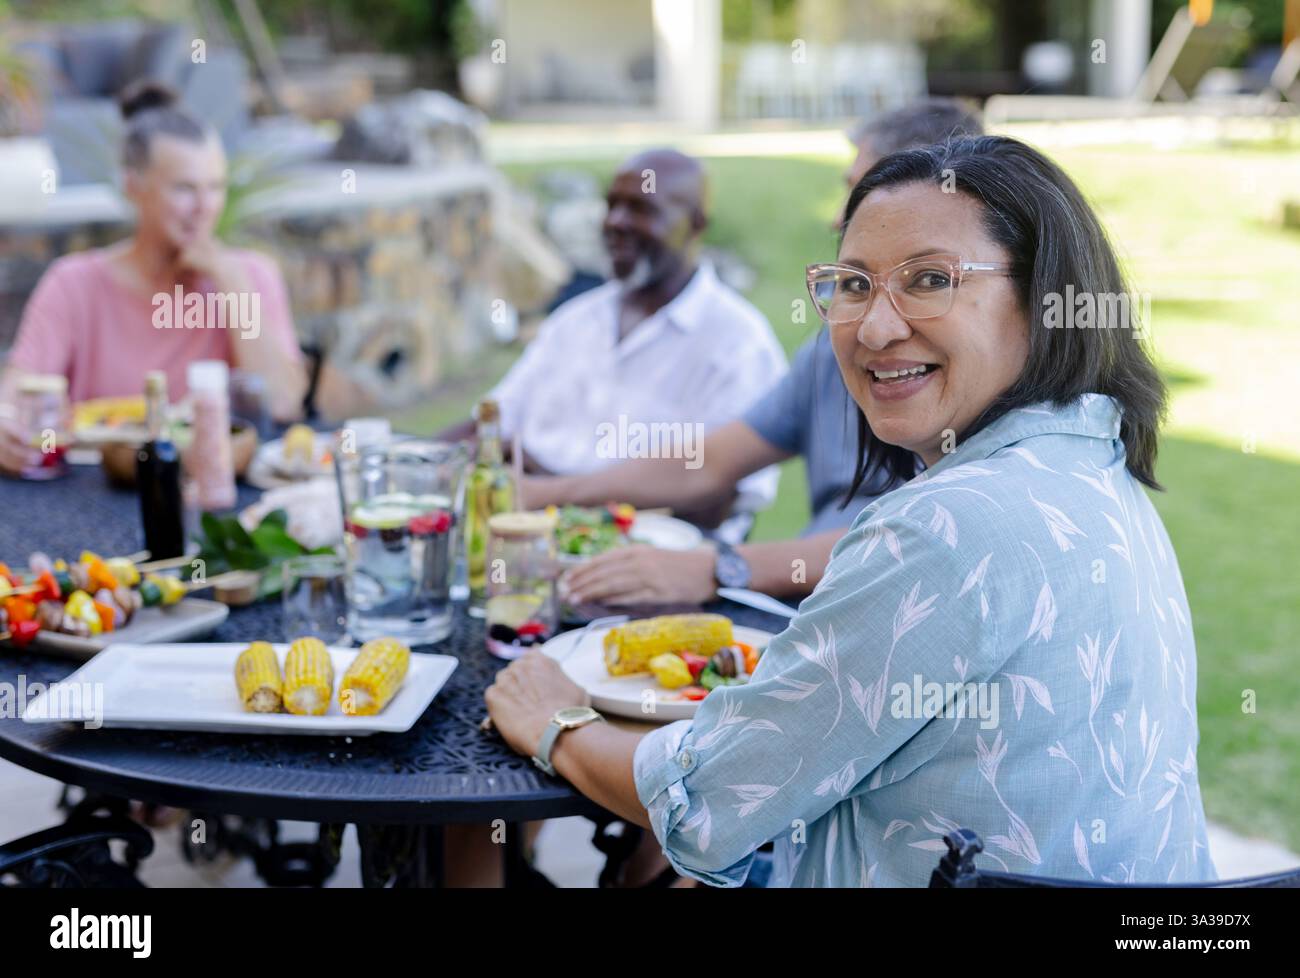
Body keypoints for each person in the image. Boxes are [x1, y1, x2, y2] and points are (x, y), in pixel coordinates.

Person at [484, 134, 1216, 887]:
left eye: (930, 280)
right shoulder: (1097, 465)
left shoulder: (945, 527)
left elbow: (704, 805)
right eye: (853, 283)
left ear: (1042, 300)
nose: (873, 328)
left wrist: (555, 722)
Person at [526, 100, 983, 607]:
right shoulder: (836, 351)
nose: (837, 218)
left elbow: (923, 539)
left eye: (857, 191)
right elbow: (709, 461)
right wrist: (545, 494)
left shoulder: (977, 374)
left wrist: (722, 567)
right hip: (801, 612)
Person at [449, 148, 788, 530]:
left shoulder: (738, 343)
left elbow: (709, 500)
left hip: (650, 554)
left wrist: (551, 485)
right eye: (611, 206)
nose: (615, 222)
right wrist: (411, 456)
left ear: (695, 224)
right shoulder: (575, 319)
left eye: (641, 209)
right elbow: (491, 423)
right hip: (528, 531)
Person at [0, 80, 307, 476]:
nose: (204, 207)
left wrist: (231, 281)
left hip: (213, 490)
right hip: (97, 489)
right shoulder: (73, 283)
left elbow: (281, 404)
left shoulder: (251, 276)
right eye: (185, 189)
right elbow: (18, 393)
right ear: (133, 187)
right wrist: (7, 424)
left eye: (215, 187)